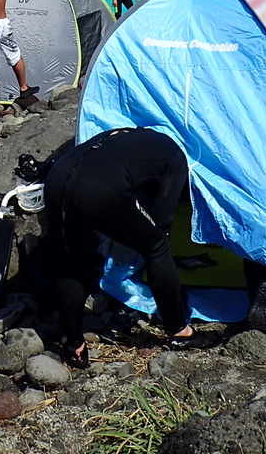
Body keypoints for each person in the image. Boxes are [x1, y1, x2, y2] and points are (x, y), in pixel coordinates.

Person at [42, 128, 199, 365]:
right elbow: (161, 220)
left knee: (69, 261)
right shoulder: (177, 158)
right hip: (98, 186)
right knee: (157, 246)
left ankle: (75, 346)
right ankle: (180, 332)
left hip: (57, 177)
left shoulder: (126, 136)